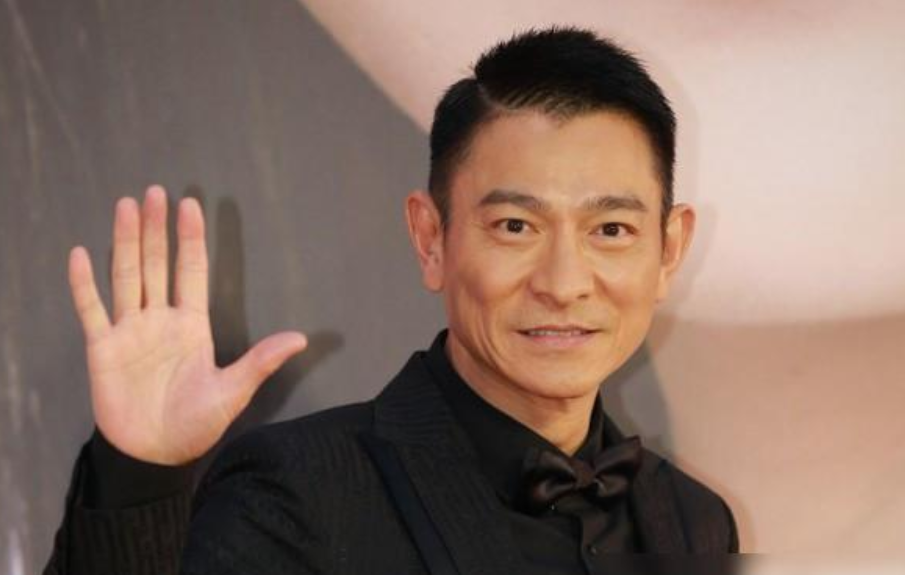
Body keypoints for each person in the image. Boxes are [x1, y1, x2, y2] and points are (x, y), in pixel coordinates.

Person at [45, 27, 737, 575]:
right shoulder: (301, 491)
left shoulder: (696, 521)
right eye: (515, 226)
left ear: (668, 250)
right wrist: (138, 476)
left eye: (610, 230)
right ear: (431, 239)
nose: (562, 283)